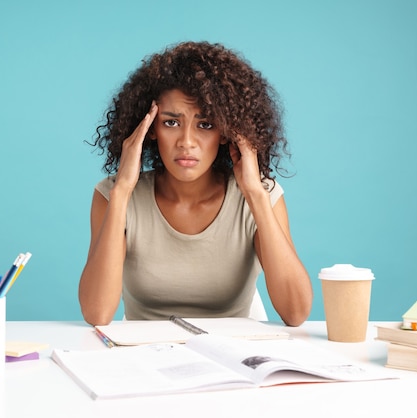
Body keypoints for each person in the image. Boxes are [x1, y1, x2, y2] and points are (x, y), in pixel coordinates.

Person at [79, 41, 312, 326]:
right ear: (149, 129)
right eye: (171, 123)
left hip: (234, 357)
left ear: (227, 133)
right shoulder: (112, 195)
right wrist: (122, 192)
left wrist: (255, 194)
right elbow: (96, 314)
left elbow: (296, 312)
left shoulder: (261, 195)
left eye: (205, 125)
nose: (186, 142)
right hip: (145, 356)